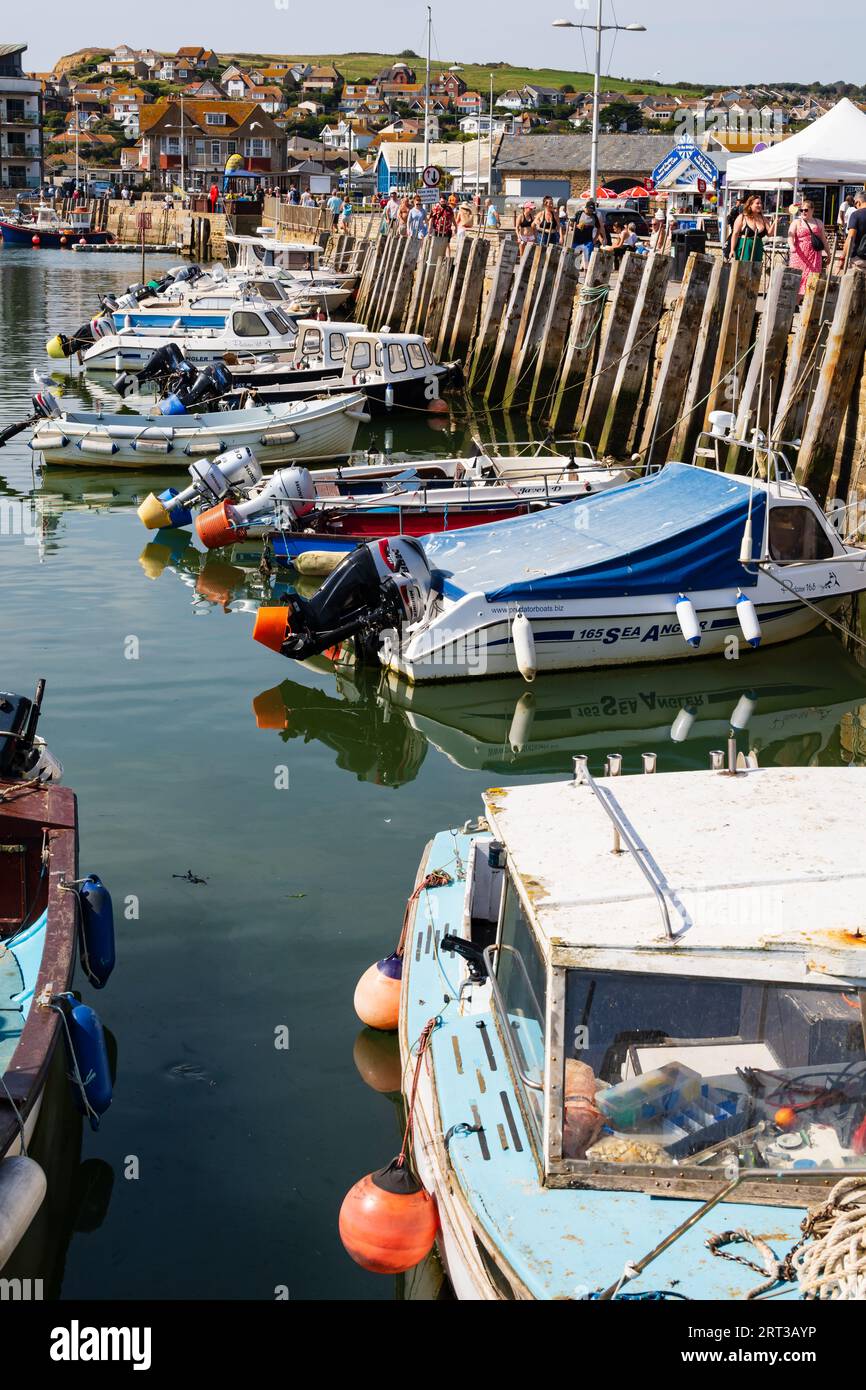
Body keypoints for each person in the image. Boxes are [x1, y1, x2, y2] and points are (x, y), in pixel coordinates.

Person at [788, 198, 828, 296]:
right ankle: (795, 304)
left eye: (806, 210)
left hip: (814, 256)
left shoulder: (818, 222)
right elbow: (790, 236)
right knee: (798, 280)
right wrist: (791, 246)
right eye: (801, 210)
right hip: (799, 256)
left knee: (812, 281)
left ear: (812, 210)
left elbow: (823, 239)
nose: (803, 212)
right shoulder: (796, 222)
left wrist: (829, 253)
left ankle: (807, 304)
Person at [728, 194, 770, 262]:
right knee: (743, 269)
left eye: (761, 203)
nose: (760, 205)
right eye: (757, 203)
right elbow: (735, 234)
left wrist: (775, 223)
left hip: (758, 246)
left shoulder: (763, 218)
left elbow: (770, 234)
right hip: (745, 246)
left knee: (756, 270)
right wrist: (732, 250)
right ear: (750, 205)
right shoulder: (742, 217)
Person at [572, 198, 602, 268]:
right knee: (575, 255)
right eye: (589, 209)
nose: (591, 211)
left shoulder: (594, 216)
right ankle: (575, 271)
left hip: (588, 240)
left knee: (588, 256)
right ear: (586, 208)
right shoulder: (579, 214)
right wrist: (576, 226)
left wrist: (595, 238)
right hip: (577, 239)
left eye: (592, 210)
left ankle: (586, 272)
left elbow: (599, 227)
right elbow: (571, 224)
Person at [843, 191, 866, 270]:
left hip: (859, 259)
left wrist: (842, 257)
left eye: (855, 204)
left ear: (858, 202)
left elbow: (850, 238)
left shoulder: (856, 215)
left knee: (855, 281)